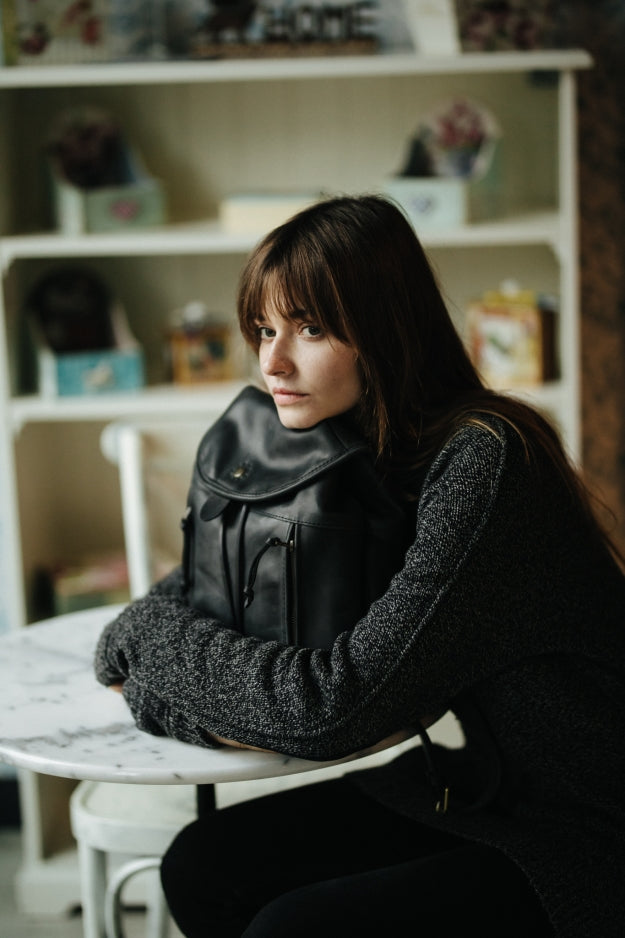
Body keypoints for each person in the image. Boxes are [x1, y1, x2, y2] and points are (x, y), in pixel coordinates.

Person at [95, 194, 625, 938]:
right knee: (203, 864)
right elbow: (225, 587)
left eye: (309, 328)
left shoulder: (487, 458)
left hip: (583, 829)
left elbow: (328, 708)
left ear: (384, 330)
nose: (273, 363)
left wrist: (149, 644)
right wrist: (156, 635)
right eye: (263, 330)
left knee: (292, 927)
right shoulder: (361, 443)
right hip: (476, 788)